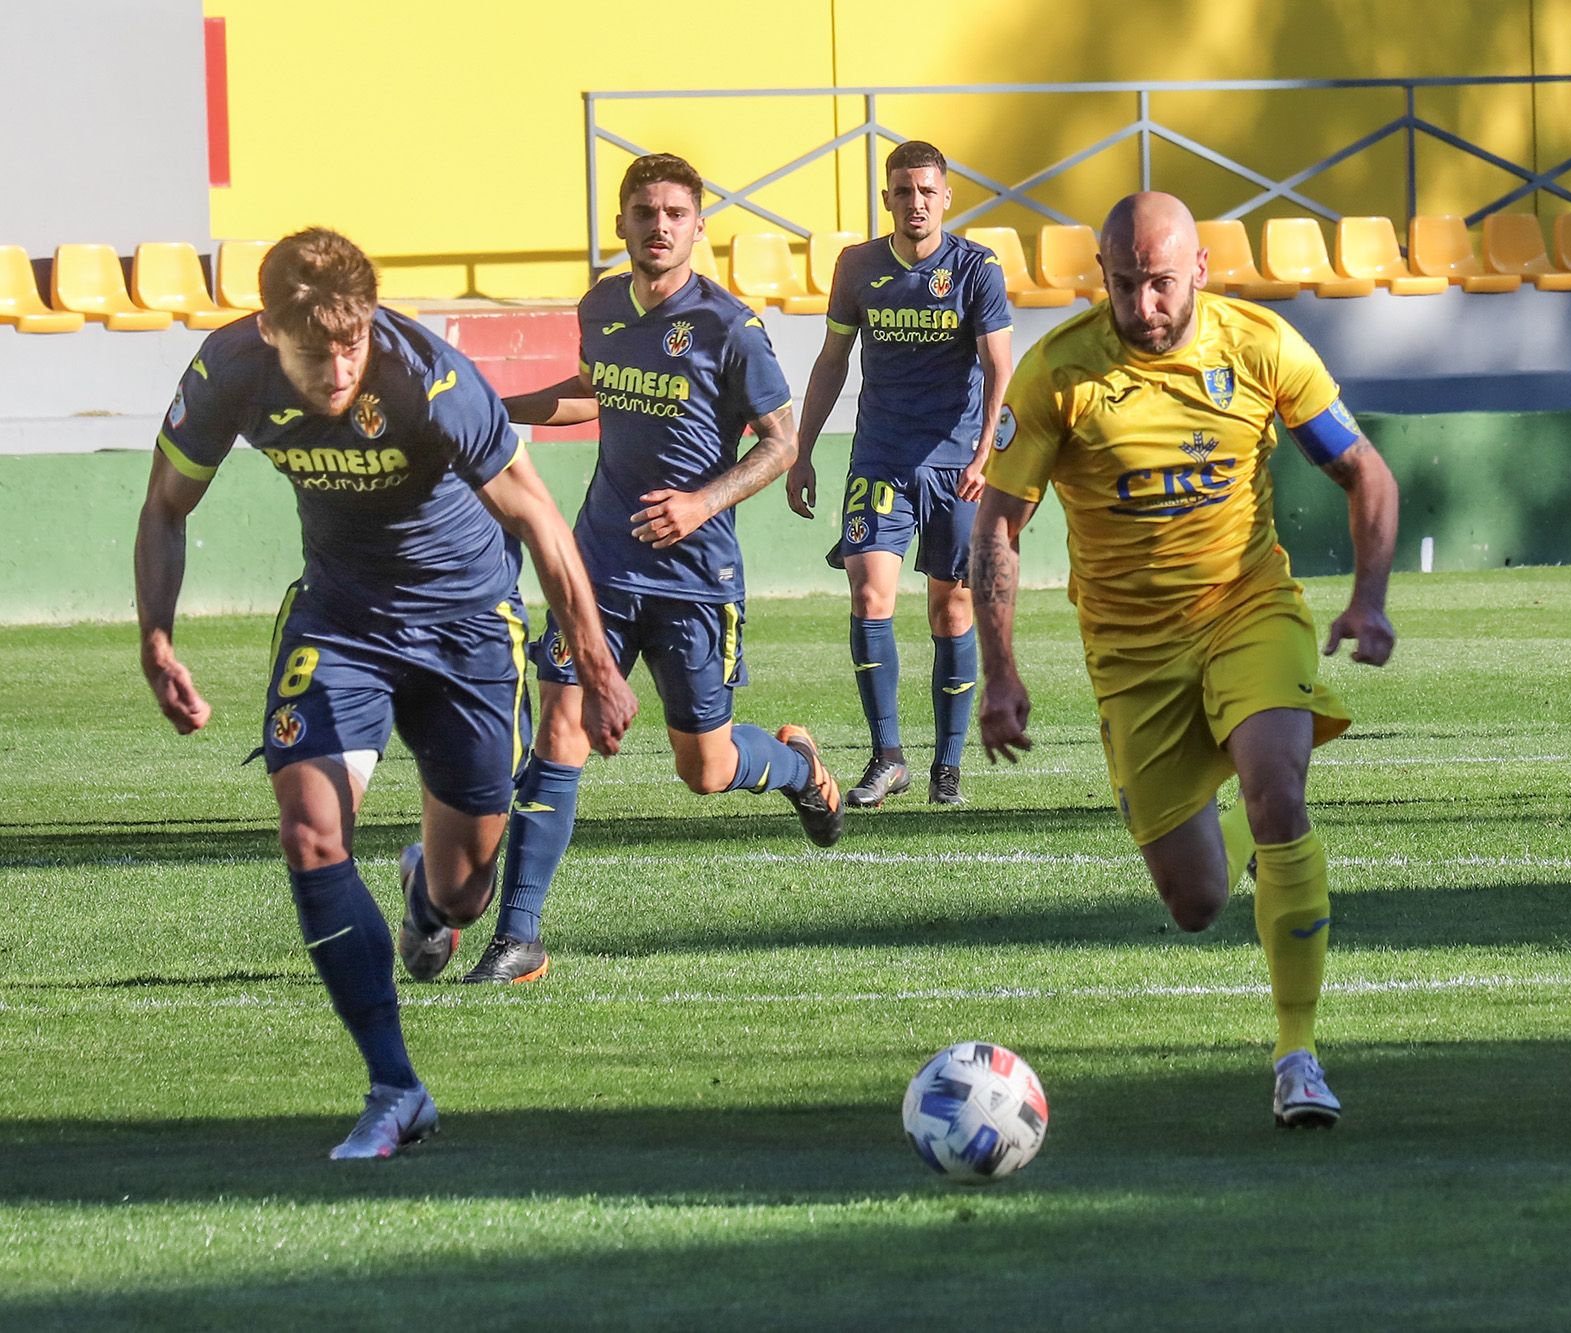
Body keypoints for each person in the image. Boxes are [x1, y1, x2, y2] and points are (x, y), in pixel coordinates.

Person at [135, 227, 638, 1158]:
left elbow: (533, 511)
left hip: (468, 627)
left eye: (351, 344)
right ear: (268, 330)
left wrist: (598, 665)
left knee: (463, 893)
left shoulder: (427, 377)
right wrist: (156, 638)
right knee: (310, 830)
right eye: (314, 351)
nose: (337, 370)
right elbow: (167, 504)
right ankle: (395, 1084)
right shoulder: (227, 372)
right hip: (342, 620)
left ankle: (426, 895)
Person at [971, 191, 1399, 1128]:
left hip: (1248, 607)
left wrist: (1367, 597)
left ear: (1199, 268)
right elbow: (1000, 521)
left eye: (1160, 283)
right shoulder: (1059, 372)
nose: (1144, 304)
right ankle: (1228, 824)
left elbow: (1364, 467)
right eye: (1124, 285)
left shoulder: (1258, 347)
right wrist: (999, 669)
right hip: (1131, 653)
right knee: (1199, 900)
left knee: (1279, 788)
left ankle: (1298, 1055)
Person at [474, 152, 843, 986]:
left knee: (704, 770)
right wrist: (499, 411)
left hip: (694, 577)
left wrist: (702, 504)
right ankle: (520, 937)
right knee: (560, 732)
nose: (660, 225)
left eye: (676, 212)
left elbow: (782, 443)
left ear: (699, 226)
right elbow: (596, 389)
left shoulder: (729, 328)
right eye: (645, 212)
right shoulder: (601, 305)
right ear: (622, 223)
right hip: (598, 562)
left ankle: (798, 767)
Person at [786, 140, 1014, 808]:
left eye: (926, 191)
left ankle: (947, 767)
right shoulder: (856, 267)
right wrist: (802, 451)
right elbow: (832, 361)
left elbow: (1000, 367)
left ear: (946, 197)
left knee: (950, 606)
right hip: (881, 456)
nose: (914, 202)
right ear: (886, 198)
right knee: (870, 593)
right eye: (902, 191)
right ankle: (888, 756)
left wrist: (983, 454)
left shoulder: (976, 268)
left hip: (954, 462)